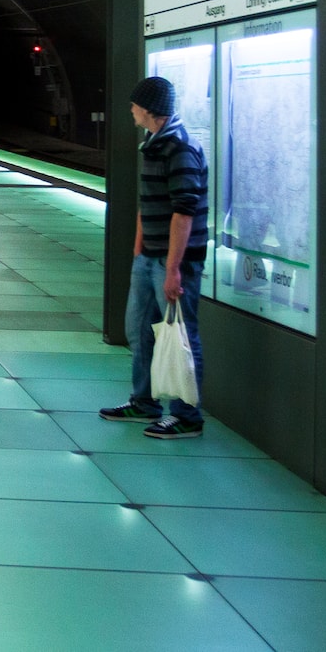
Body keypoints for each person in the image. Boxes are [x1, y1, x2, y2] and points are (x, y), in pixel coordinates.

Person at [100, 75, 209, 438]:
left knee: (180, 334)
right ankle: (143, 402)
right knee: (139, 329)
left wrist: (173, 269)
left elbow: (184, 211)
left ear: (148, 110)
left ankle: (186, 414)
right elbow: (149, 203)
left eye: (134, 105)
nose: (130, 110)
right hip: (149, 257)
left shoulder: (179, 148)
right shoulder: (154, 143)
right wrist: (138, 247)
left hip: (174, 261)